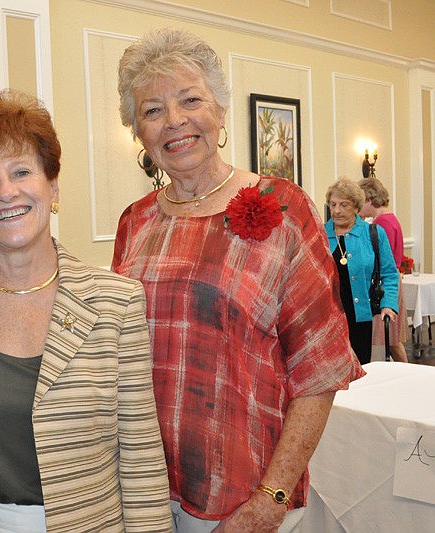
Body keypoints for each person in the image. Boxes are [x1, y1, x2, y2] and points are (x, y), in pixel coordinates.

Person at [112, 28, 364, 532]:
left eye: (190, 100)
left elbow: (320, 367)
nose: (174, 121)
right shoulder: (135, 222)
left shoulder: (284, 208)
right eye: (152, 109)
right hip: (144, 491)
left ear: (221, 112)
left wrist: (271, 497)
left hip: (244, 494)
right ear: (138, 131)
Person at [0, 90, 173, 532]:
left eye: (22, 172)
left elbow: (141, 461)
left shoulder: (116, 302)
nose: (7, 192)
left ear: (52, 186)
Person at [326, 177, 399, 365]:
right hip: (326, 317)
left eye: (344, 205)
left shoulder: (373, 233)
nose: (336, 211)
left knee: (358, 368)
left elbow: (389, 273)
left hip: (359, 315)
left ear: (356, 206)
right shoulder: (319, 234)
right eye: (333, 204)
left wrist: (388, 304)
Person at [358, 177, 408, 362]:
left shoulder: (380, 225)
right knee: (393, 339)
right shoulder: (390, 218)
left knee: (391, 339)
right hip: (393, 279)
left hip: (385, 284)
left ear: (369, 199)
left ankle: (404, 373)